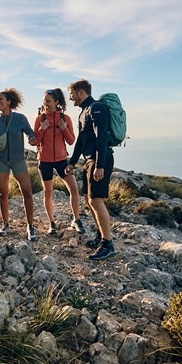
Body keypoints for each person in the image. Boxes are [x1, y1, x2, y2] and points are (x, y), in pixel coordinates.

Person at [65, 79, 116, 260]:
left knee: (95, 200)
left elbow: (101, 137)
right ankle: (101, 235)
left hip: (98, 160)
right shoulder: (84, 112)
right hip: (89, 161)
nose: (70, 97)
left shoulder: (96, 108)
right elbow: (80, 140)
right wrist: (72, 162)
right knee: (88, 199)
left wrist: (99, 165)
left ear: (81, 92)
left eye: (71, 93)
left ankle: (108, 244)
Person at [0, 88, 38, 241]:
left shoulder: (20, 118)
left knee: (27, 192)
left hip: (18, 160)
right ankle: (6, 224)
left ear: (9, 102)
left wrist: (33, 139)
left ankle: (30, 226)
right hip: (1, 161)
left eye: (1, 100)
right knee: (3, 193)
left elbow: (29, 132)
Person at [33, 88, 85, 235]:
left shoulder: (65, 118)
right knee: (47, 193)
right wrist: (42, 129)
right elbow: (35, 142)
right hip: (45, 161)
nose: (45, 104)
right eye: (44, 101)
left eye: (48, 101)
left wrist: (63, 128)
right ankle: (52, 223)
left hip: (62, 160)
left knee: (74, 190)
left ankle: (76, 220)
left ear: (57, 102)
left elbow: (71, 140)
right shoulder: (40, 119)